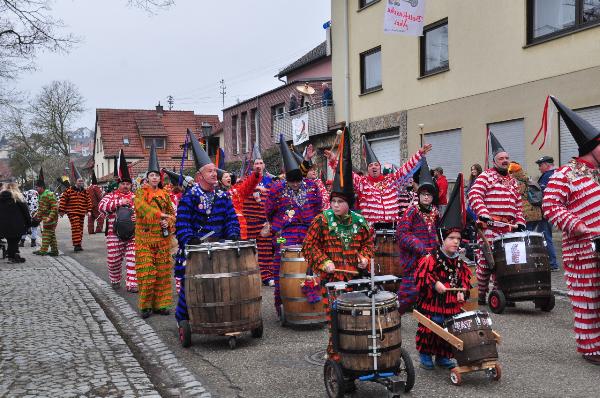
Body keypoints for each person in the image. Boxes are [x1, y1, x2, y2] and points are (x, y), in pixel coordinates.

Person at [303, 128, 373, 363]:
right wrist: (324, 262)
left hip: (355, 279)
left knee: (357, 317)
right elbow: (309, 246)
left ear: (349, 204)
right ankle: (335, 355)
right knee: (336, 318)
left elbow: (368, 245)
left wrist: (365, 258)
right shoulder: (321, 220)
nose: (334, 205)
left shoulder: (360, 222)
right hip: (331, 280)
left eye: (340, 202)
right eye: (333, 200)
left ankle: (356, 351)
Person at [542, 96, 600, 365]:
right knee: (587, 301)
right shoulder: (565, 174)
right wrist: (577, 226)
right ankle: (591, 348)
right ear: (593, 147)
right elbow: (550, 206)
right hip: (581, 251)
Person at [174, 130, 240, 324]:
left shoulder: (222, 196)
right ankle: (183, 319)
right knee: (191, 287)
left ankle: (219, 318)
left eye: (215, 171)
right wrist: (190, 240)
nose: (215, 174)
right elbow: (182, 224)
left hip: (219, 249)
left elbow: (231, 219)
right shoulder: (189, 198)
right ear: (199, 175)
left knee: (223, 285)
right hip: (196, 250)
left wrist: (233, 234)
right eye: (210, 171)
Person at [415, 173, 472, 370]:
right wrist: (434, 284)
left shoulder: (459, 262)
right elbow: (423, 276)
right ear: (442, 240)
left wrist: (462, 290)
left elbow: (465, 279)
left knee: (450, 327)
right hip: (432, 303)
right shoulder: (431, 258)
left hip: (450, 304)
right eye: (451, 238)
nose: (456, 241)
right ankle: (425, 355)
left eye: (458, 238)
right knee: (431, 327)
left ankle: (443, 356)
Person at [266, 135, 322, 316]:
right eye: (292, 182)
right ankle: (281, 303)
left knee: (313, 263)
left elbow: (318, 208)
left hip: (307, 231)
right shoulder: (276, 189)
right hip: (284, 232)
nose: (296, 184)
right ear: (286, 179)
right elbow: (269, 210)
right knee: (279, 262)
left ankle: (312, 300)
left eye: (299, 181)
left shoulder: (312, 187)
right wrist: (275, 229)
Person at [325, 135, 431, 228]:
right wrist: (334, 161)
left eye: (376, 165)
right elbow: (346, 173)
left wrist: (419, 153)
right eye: (371, 165)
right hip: (371, 229)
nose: (374, 167)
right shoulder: (362, 182)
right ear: (367, 169)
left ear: (380, 167)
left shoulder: (391, 180)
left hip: (392, 228)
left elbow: (406, 168)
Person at [468, 132, 525, 305]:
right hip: (489, 227)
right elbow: (474, 194)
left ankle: (499, 293)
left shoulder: (513, 182)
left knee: (506, 261)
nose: (505, 160)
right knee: (486, 263)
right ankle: (482, 294)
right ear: (494, 161)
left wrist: (520, 221)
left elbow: (518, 204)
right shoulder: (485, 176)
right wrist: (483, 212)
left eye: (507, 157)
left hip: (507, 229)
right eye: (501, 158)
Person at [134, 144, 176, 318]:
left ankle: (161, 305)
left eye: (156, 175)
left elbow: (173, 215)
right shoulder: (140, 194)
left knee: (163, 274)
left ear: (160, 178)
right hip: (144, 240)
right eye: (151, 175)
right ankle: (145, 306)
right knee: (148, 274)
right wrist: (160, 215)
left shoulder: (165, 195)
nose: (154, 178)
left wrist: (168, 222)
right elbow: (142, 209)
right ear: (147, 177)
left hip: (162, 240)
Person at [396, 160, 440, 314]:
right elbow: (402, 234)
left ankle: (426, 316)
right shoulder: (411, 212)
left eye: (429, 194)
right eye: (423, 194)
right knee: (409, 292)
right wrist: (419, 246)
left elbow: (437, 232)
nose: (426, 197)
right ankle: (393, 317)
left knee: (429, 289)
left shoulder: (435, 212)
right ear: (418, 195)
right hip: (414, 258)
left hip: (431, 257)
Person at [99, 150, 138, 292]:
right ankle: (115, 279)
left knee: (133, 258)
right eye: (123, 184)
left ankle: (132, 284)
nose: (126, 186)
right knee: (114, 261)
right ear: (118, 184)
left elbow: (144, 212)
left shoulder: (136, 197)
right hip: (113, 233)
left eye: (128, 184)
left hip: (133, 234)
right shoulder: (110, 195)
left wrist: (137, 217)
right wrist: (119, 202)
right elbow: (101, 208)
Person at [242, 143, 275, 285]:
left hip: (264, 221)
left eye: (261, 162)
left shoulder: (270, 181)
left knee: (266, 249)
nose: (259, 165)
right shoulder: (246, 180)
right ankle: (247, 276)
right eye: (256, 162)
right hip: (249, 220)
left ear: (264, 165)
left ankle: (266, 276)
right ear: (253, 165)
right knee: (248, 249)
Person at [59, 165, 92, 252]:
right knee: (76, 227)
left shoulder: (85, 191)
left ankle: (79, 244)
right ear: (76, 182)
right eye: (79, 181)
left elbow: (88, 201)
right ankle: (76, 245)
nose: (81, 182)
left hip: (81, 212)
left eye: (82, 181)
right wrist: (61, 211)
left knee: (80, 228)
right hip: (72, 212)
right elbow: (63, 200)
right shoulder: (69, 190)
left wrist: (89, 210)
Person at [535, 155, 559, 271]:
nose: (539, 168)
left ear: (546, 165)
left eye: (540, 165)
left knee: (545, 237)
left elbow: (544, 195)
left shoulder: (547, 176)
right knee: (545, 236)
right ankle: (550, 262)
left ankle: (552, 264)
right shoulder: (556, 174)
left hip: (546, 211)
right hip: (551, 210)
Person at [0, 182, 31, 263]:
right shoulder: (18, 197)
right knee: (15, 240)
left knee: (10, 240)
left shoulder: (1, 197)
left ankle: (13, 256)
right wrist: (29, 223)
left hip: (3, 225)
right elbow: (26, 212)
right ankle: (13, 257)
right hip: (17, 224)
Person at [508, 162, 543, 232]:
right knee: (530, 235)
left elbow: (513, 196)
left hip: (526, 214)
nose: (509, 174)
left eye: (510, 172)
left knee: (525, 237)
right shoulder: (528, 180)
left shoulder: (516, 183)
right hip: (536, 212)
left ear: (515, 172)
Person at [32, 168, 59, 257]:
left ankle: (43, 250)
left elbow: (54, 208)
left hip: (51, 218)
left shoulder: (49, 194)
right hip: (45, 218)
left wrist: (49, 218)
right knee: (51, 235)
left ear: (42, 187)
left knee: (46, 234)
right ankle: (55, 251)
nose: (36, 189)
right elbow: (41, 208)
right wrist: (37, 215)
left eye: (37, 187)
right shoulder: (40, 195)